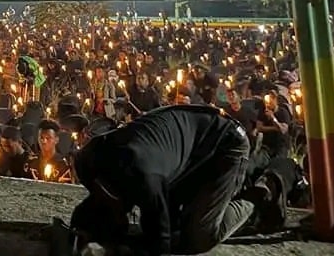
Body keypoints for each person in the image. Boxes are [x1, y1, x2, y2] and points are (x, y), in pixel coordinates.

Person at [70, 104, 256, 256]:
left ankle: (254, 199)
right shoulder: (86, 162)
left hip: (226, 143)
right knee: (174, 224)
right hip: (187, 148)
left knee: (199, 236)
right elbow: (95, 206)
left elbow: (161, 244)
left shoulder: (146, 179)